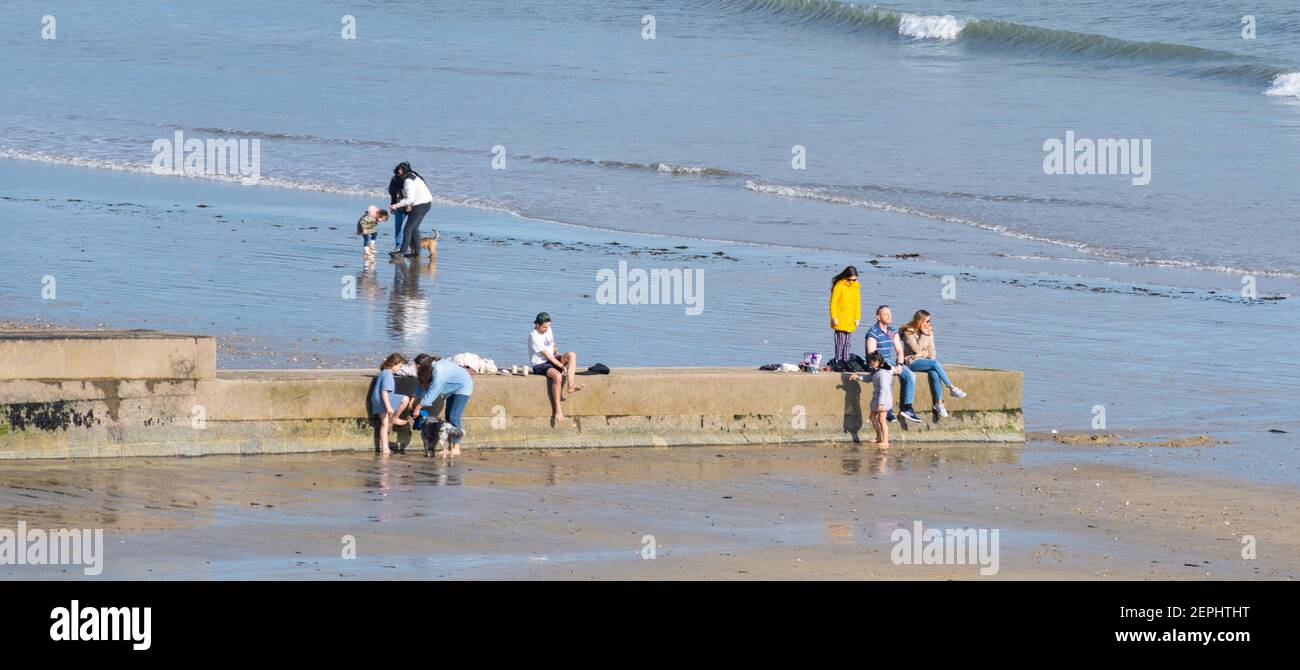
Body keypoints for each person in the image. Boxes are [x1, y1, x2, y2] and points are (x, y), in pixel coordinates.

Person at [900, 310, 967, 418]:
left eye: (930, 321)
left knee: (934, 372)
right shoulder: (908, 332)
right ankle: (951, 387)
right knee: (935, 364)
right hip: (910, 362)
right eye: (927, 321)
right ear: (919, 321)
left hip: (924, 361)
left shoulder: (929, 331)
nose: (929, 323)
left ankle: (939, 404)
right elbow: (916, 349)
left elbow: (932, 351)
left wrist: (925, 354)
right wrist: (925, 335)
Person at [865, 305, 921, 424]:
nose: (889, 316)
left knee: (910, 375)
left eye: (890, 313)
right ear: (878, 317)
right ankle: (888, 410)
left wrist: (900, 365)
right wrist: (889, 368)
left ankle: (907, 408)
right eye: (886, 314)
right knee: (886, 378)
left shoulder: (892, 331)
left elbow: (900, 351)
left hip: (891, 361)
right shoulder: (873, 333)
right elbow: (872, 356)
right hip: (878, 363)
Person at [410, 355, 474, 458]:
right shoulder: (428, 368)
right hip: (452, 389)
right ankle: (450, 448)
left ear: (424, 365)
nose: (415, 368)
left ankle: (456, 447)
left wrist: (418, 407)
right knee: (448, 416)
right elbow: (422, 384)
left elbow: (433, 391)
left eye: (417, 366)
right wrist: (412, 399)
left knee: (454, 416)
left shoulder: (439, 371)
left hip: (463, 386)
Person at [528, 312, 583, 424]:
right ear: (537, 324)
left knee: (571, 355)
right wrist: (562, 366)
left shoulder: (548, 329)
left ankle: (571, 386)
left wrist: (558, 354)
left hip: (552, 359)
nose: (546, 329)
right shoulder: (534, 336)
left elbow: (552, 345)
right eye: (544, 326)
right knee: (557, 376)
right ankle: (558, 409)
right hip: (540, 364)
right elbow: (547, 356)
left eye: (548, 326)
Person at [388, 161, 433, 258]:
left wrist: (396, 205)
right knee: (414, 228)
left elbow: (410, 199)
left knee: (408, 229)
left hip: (420, 205)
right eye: (397, 172)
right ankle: (416, 253)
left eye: (399, 173)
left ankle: (402, 252)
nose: (397, 175)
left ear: (404, 171)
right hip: (427, 203)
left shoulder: (408, 181)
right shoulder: (413, 175)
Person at [849, 351, 892, 448]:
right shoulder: (876, 371)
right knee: (872, 416)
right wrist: (858, 377)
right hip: (878, 398)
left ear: (876, 361)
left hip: (884, 399)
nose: (870, 365)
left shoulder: (883, 374)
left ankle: (885, 441)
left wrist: (881, 404)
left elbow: (884, 389)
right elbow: (869, 378)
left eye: (871, 363)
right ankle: (879, 437)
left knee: (882, 419)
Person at [370, 353, 411, 454]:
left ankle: (385, 448)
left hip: (377, 399)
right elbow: (385, 392)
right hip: (384, 399)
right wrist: (388, 407)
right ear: (393, 364)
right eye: (399, 366)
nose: (400, 368)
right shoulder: (388, 374)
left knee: (384, 424)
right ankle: (395, 418)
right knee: (405, 399)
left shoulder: (384, 372)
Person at [829, 266, 861, 365]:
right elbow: (833, 303)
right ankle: (839, 360)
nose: (852, 281)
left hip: (850, 320)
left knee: (847, 343)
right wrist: (834, 317)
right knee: (840, 342)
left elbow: (857, 304)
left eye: (854, 279)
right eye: (849, 279)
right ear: (845, 277)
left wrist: (857, 318)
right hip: (840, 319)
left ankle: (846, 360)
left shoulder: (855, 287)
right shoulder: (839, 286)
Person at [387, 165, 408, 252]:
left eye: (401, 170)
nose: (399, 171)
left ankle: (407, 246)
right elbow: (391, 192)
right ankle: (398, 245)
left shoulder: (410, 179)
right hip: (398, 205)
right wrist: (393, 204)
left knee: (410, 227)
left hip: (411, 204)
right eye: (398, 169)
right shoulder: (394, 179)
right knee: (398, 226)